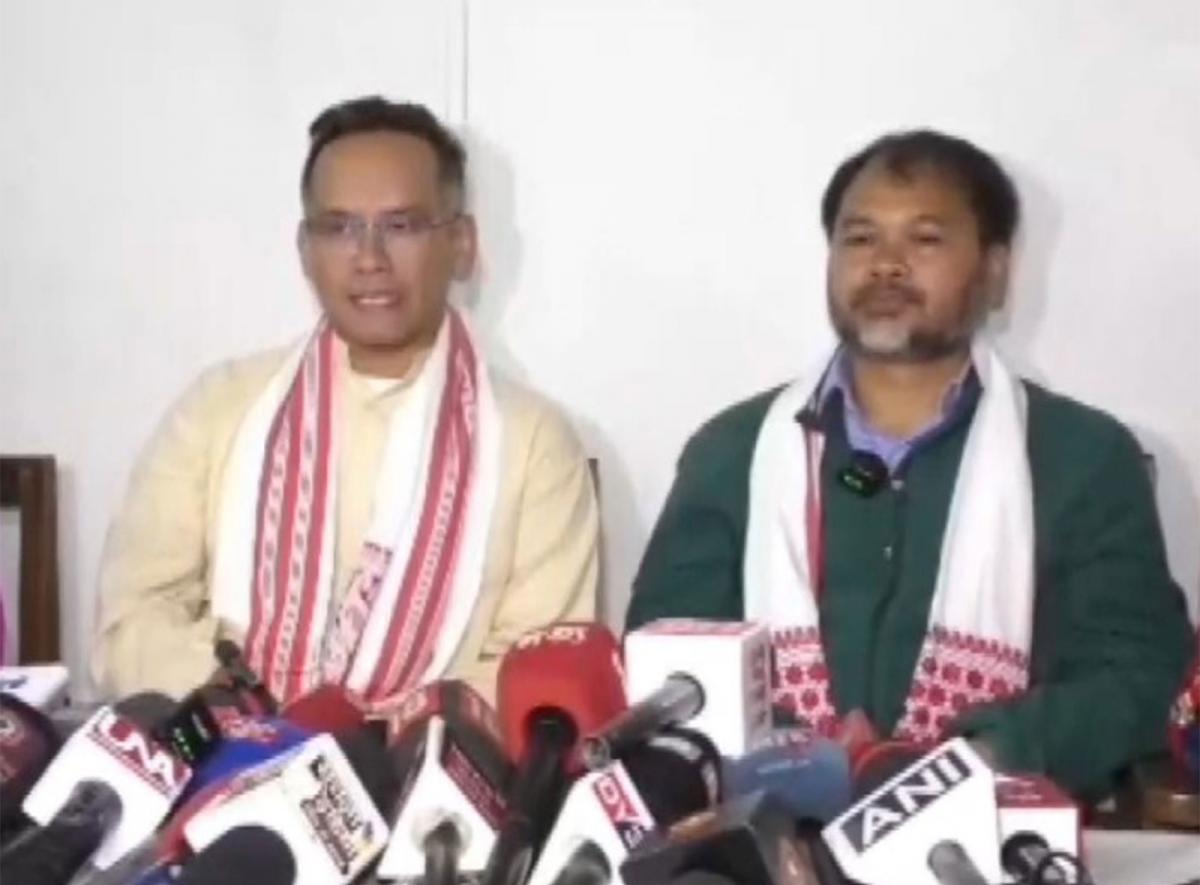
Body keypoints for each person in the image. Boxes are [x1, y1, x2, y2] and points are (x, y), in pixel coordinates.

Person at [627, 129, 1192, 798]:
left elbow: (1136, 677)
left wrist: (972, 759)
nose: (886, 265)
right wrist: (799, 757)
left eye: (925, 239)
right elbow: (665, 660)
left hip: (999, 819)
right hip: (766, 820)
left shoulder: (1084, 458)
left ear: (996, 272)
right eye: (861, 238)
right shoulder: (733, 452)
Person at [94, 97, 599, 707]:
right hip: (226, 744)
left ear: (461, 244)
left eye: (401, 226)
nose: (369, 259)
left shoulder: (534, 442)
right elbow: (132, 618)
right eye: (339, 229)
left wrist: (368, 736)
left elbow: (536, 671)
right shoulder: (218, 408)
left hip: (431, 757)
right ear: (305, 251)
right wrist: (248, 714)